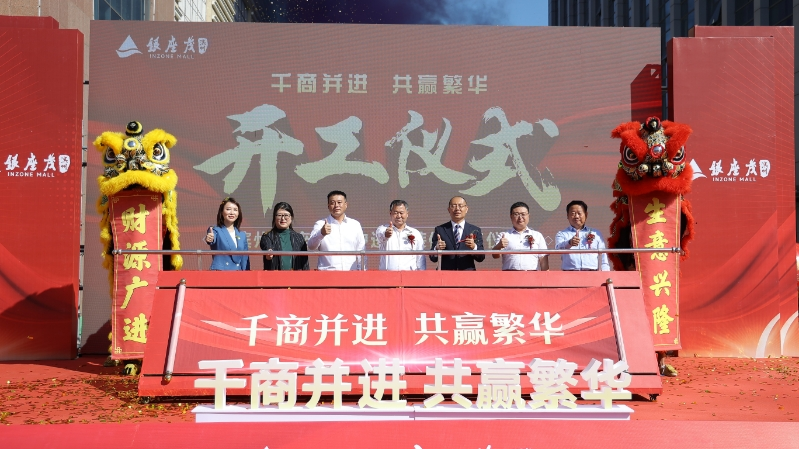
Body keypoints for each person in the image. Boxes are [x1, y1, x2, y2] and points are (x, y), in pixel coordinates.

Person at [307, 190, 365, 270]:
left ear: (346, 205)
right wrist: (321, 233)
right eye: (332, 203)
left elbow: (361, 251)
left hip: (351, 273)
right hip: (328, 273)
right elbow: (311, 246)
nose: (336, 205)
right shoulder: (320, 224)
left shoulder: (355, 224)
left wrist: (362, 271)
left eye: (339, 202)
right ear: (328, 206)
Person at [429, 196, 484, 270]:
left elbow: (481, 258)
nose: (457, 209)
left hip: (467, 274)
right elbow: (432, 258)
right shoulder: (440, 230)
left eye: (460, 206)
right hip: (446, 273)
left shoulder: (475, 230)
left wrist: (474, 247)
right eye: (453, 206)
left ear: (466, 209)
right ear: (449, 209)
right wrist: (437, 249)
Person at [554, 200, 610, 271]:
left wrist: (606, 273)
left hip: (592, 273)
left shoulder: (596, 233)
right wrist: (569, 243)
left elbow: (603, 256)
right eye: (573, 213)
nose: (576, 216)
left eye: (579, 213)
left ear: (586, 215)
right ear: (567, 216)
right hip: (570, 273)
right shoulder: (562, 234)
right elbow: (558, 249)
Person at [493, 202, 549, 271]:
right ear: (511, 216)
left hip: (532, 275)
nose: (520, 218)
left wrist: (546, 276)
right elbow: (495, 256)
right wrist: (499, 246)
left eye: (523, 214)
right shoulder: (504, 235)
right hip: (509, 274)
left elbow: (543, 259)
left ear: (528, 216)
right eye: (516, 214)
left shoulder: (537, 235)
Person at [375, 200, 426, 271]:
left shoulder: (415, 233)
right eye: (395, 213)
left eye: (401, 213)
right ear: (390, 213)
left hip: (409, 275)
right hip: (387, 275)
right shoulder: (382, 229)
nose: (399, 216)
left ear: (407, 214)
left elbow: (420, 257)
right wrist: (386, 234)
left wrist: (422, 273)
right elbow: (381, 234)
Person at [259, 202, 309, 271]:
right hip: (275, 276)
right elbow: (267, 248)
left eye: (286, 215)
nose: (283, 218)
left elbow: (305, 264)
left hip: (296, 276)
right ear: (274, 217)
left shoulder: (299, 238)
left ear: (291, 217)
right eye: (279, 215)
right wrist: (269, 253)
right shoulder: (267, 236)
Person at [205, 197, 250, 271]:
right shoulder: (216, 230)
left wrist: (247, 274)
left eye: (235, 210)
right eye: (228, 209)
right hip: (220, 272)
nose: (232, 213)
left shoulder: (242, 235)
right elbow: (212, 238)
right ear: (222, 212)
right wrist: (210, 238)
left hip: (238, 273)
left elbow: (245, 259)